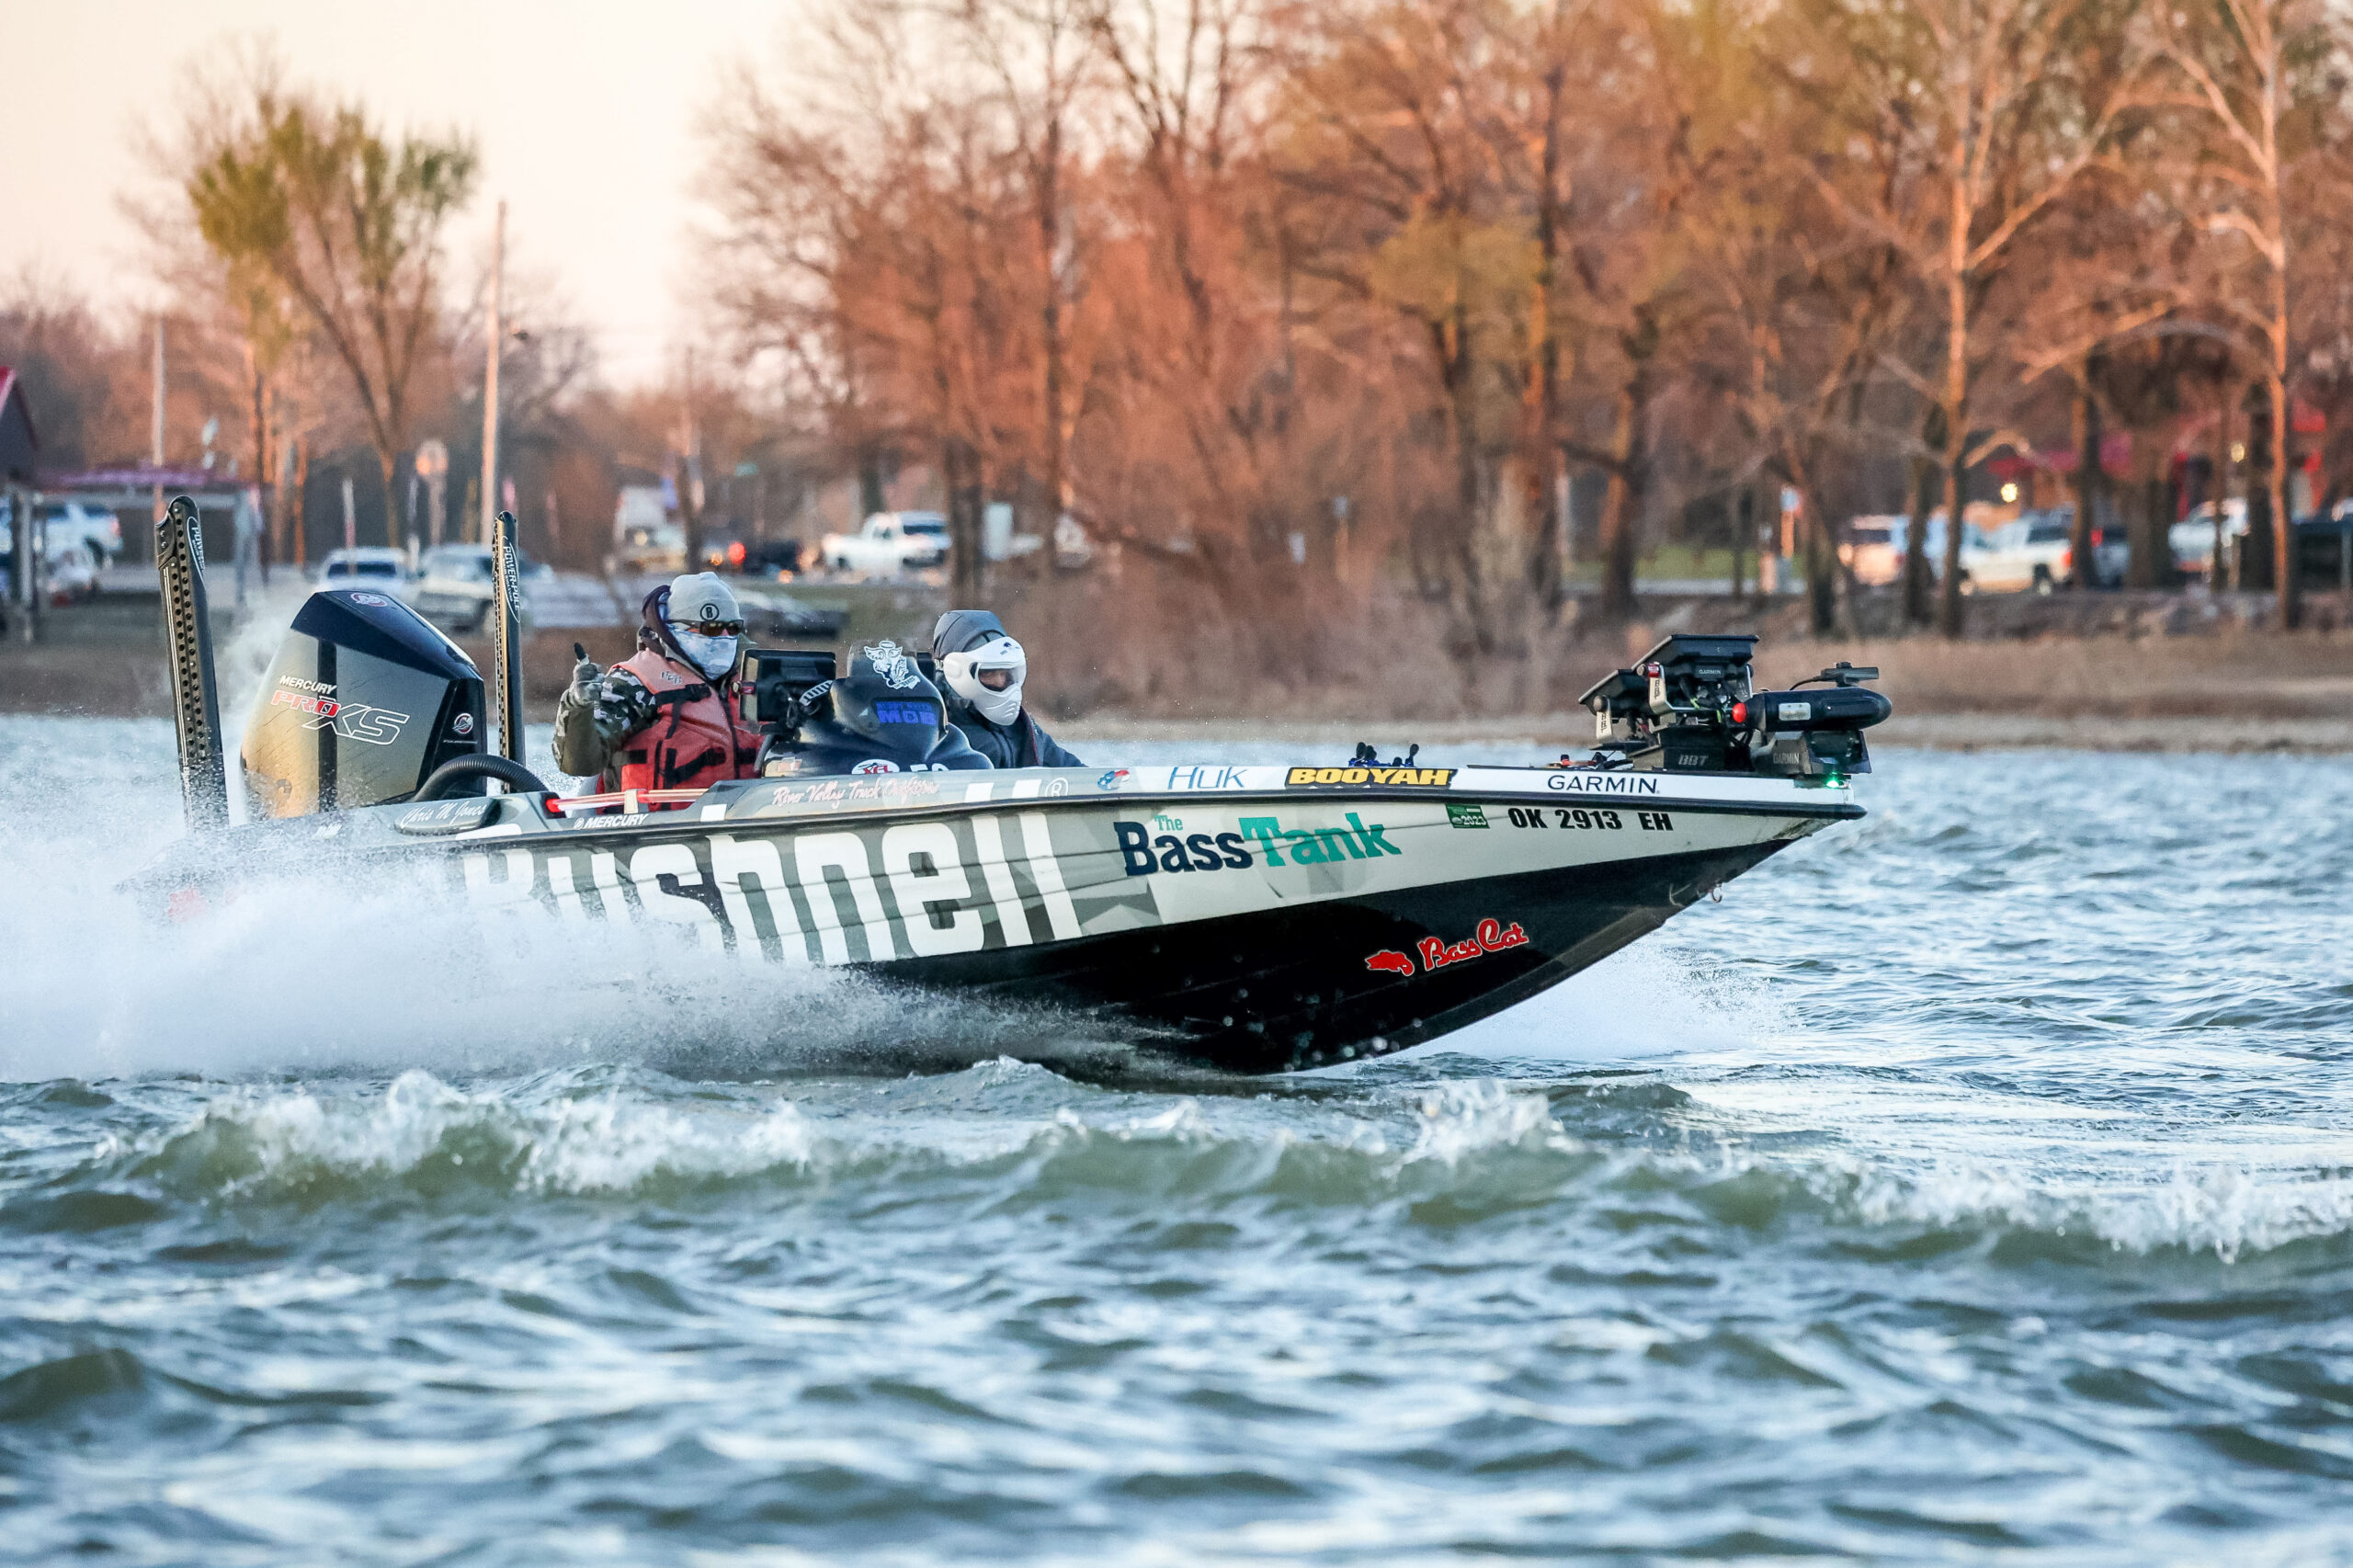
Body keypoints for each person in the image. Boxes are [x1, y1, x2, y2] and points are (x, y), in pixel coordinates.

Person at [554, 573, 760, 790]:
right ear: (674, 628)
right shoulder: (635, 683)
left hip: (750, 815)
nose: (723, 637)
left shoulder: (758, 681)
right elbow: (580, 763)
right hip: (661, 820)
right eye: (711, 628)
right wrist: (579, 706)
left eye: (733, 628)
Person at [929, 608, 1084, 769]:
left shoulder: (1021, 728)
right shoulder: (931, 726)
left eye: (1006, 673)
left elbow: (1075, 774)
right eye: (989, 673)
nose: (1000, 681)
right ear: (955, 671)